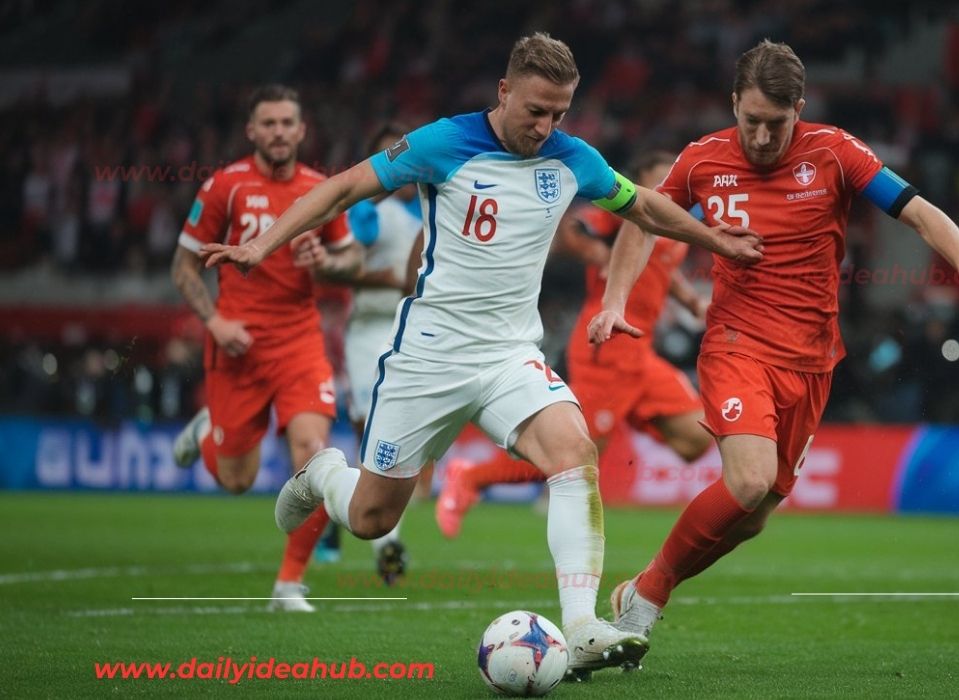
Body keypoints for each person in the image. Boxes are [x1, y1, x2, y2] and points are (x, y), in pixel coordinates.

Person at [200, 33, 763, 675]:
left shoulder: (572, 158)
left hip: (509, 354)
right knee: (372, 519)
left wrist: (715, 239)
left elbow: (647, 207)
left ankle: (581, 627)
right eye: (535, 111)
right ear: (503, 91)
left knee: (574, 452)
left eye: (559, 113)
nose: (546, 126)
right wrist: (261, 245)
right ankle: (325, 475)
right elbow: (341, 189)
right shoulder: (443, 143)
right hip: (428, 358)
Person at [589, 39, 959, 651]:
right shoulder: (702, 159)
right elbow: (644, 220)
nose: (763, 137)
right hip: (737, 343)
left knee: (755, 514)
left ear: (800, 106)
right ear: (733, 103)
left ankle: (641, 588)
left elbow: (918, 211)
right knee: (746, 482)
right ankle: (649, 598)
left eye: (777, 123)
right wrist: (614, 303)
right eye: (751, 121)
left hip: (813, 359)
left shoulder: (835, 152)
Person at [434, 150, 712, 539]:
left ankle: (624, 412)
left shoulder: (671, 226)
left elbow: (663, 269)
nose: (666, 186)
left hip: (640, 354)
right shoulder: (627, 213)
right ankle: (472, 477)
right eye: (658, 178)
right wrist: (596, 252)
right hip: (607, 348)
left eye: (671, 177)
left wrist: (692, 301)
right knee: (576, 451)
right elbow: (573, 225)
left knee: (696, 437)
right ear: (641, 180)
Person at [170, 84, 364, 612]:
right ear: (252, 131)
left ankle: (288, 585)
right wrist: (214, 321)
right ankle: (209, 430)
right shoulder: (224, 186)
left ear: (302, 131)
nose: (279, 132)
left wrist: (325, 264)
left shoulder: (321, 189)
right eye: (269, 123)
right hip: (237, 346)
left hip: (300, 343)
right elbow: (183, 267)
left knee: (316, 456)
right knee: (237, 479)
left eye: (287, 123)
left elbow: (354, 264)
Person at [315, 121, 427, 580]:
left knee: (403, 436)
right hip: (369, 330)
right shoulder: (366, 213)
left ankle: (335, 508)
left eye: (403, 154)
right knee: (371, 428)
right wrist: (384, 279)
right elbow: (336, 269)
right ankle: (388, 543)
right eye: (387, 155)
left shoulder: (431, 210)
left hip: (417, 329)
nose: (396, 164)